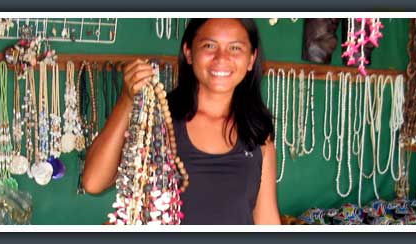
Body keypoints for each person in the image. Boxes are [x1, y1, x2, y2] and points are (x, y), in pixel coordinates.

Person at [81, 18, 280, 225]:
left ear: (251, 59)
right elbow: (93, 182)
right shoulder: (156, 120)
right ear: (188, 52)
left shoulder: (258, 132)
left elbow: (267, 219)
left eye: (235, 48)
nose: (222, 58)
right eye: (209, 45)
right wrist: (127, 99)